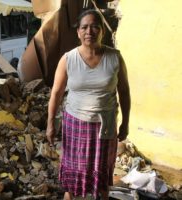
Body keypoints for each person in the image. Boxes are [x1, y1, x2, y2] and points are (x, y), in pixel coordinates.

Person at [46, 9, 130, 200]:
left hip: (105, 126)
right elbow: (57, 94)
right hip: (75, 124)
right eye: (84, 27)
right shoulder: (68, 59)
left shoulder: (115, 57)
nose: (89, 31)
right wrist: (51, 123)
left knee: (101, 182)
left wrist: (125, 122)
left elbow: (124, 92)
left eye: (94, 27)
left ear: (102, 31)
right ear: (78, 32)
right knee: (73, 183)